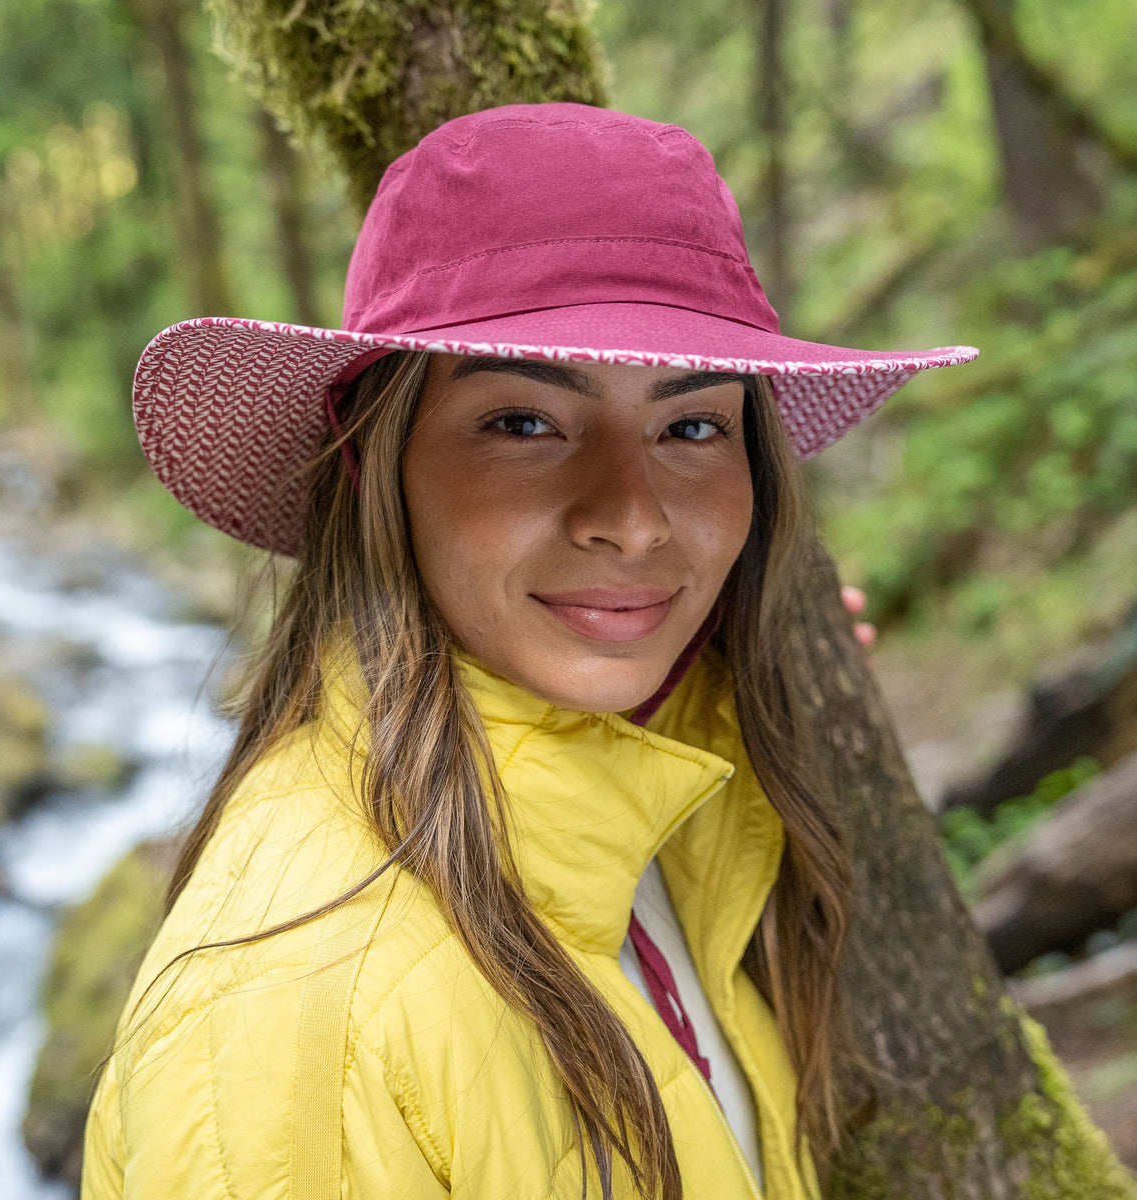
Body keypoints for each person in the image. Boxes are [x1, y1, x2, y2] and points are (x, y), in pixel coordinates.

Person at [81, 102, 976, 1200]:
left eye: (692, 427)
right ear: (376, 466)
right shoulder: (305, 1010)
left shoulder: (663, 809)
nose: (633, 520)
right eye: (524, 424)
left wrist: (737, 705)